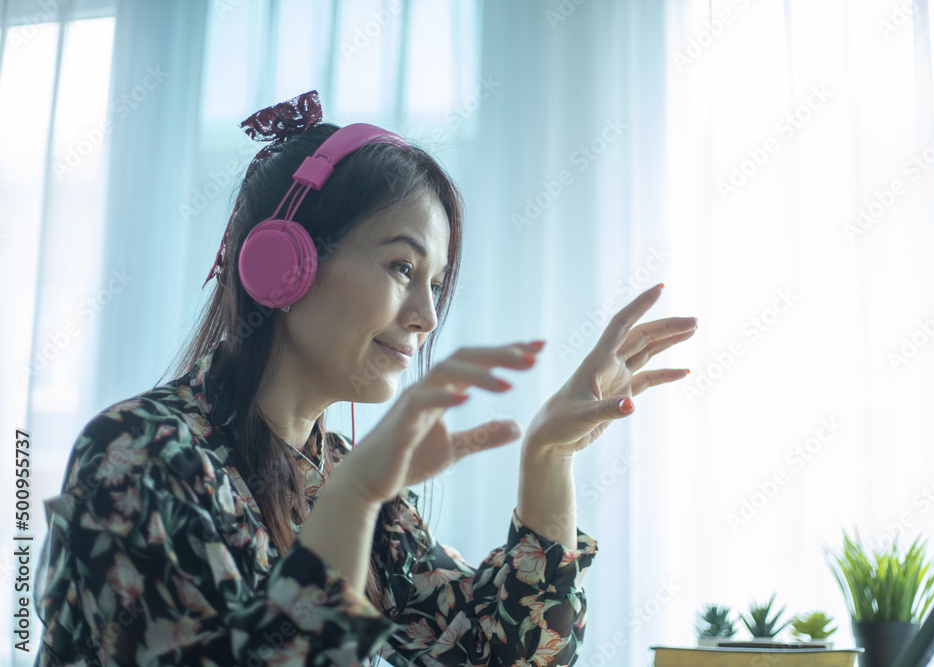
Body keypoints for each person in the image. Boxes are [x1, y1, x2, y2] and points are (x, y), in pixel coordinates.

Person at [32, 91, 698, 666]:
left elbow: (506, 652)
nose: (427, 315)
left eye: (436, 284)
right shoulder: (139, 454)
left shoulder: (343, 475)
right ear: (282, 263)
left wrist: (548, 455)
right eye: (403, 269)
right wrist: (354, 497)